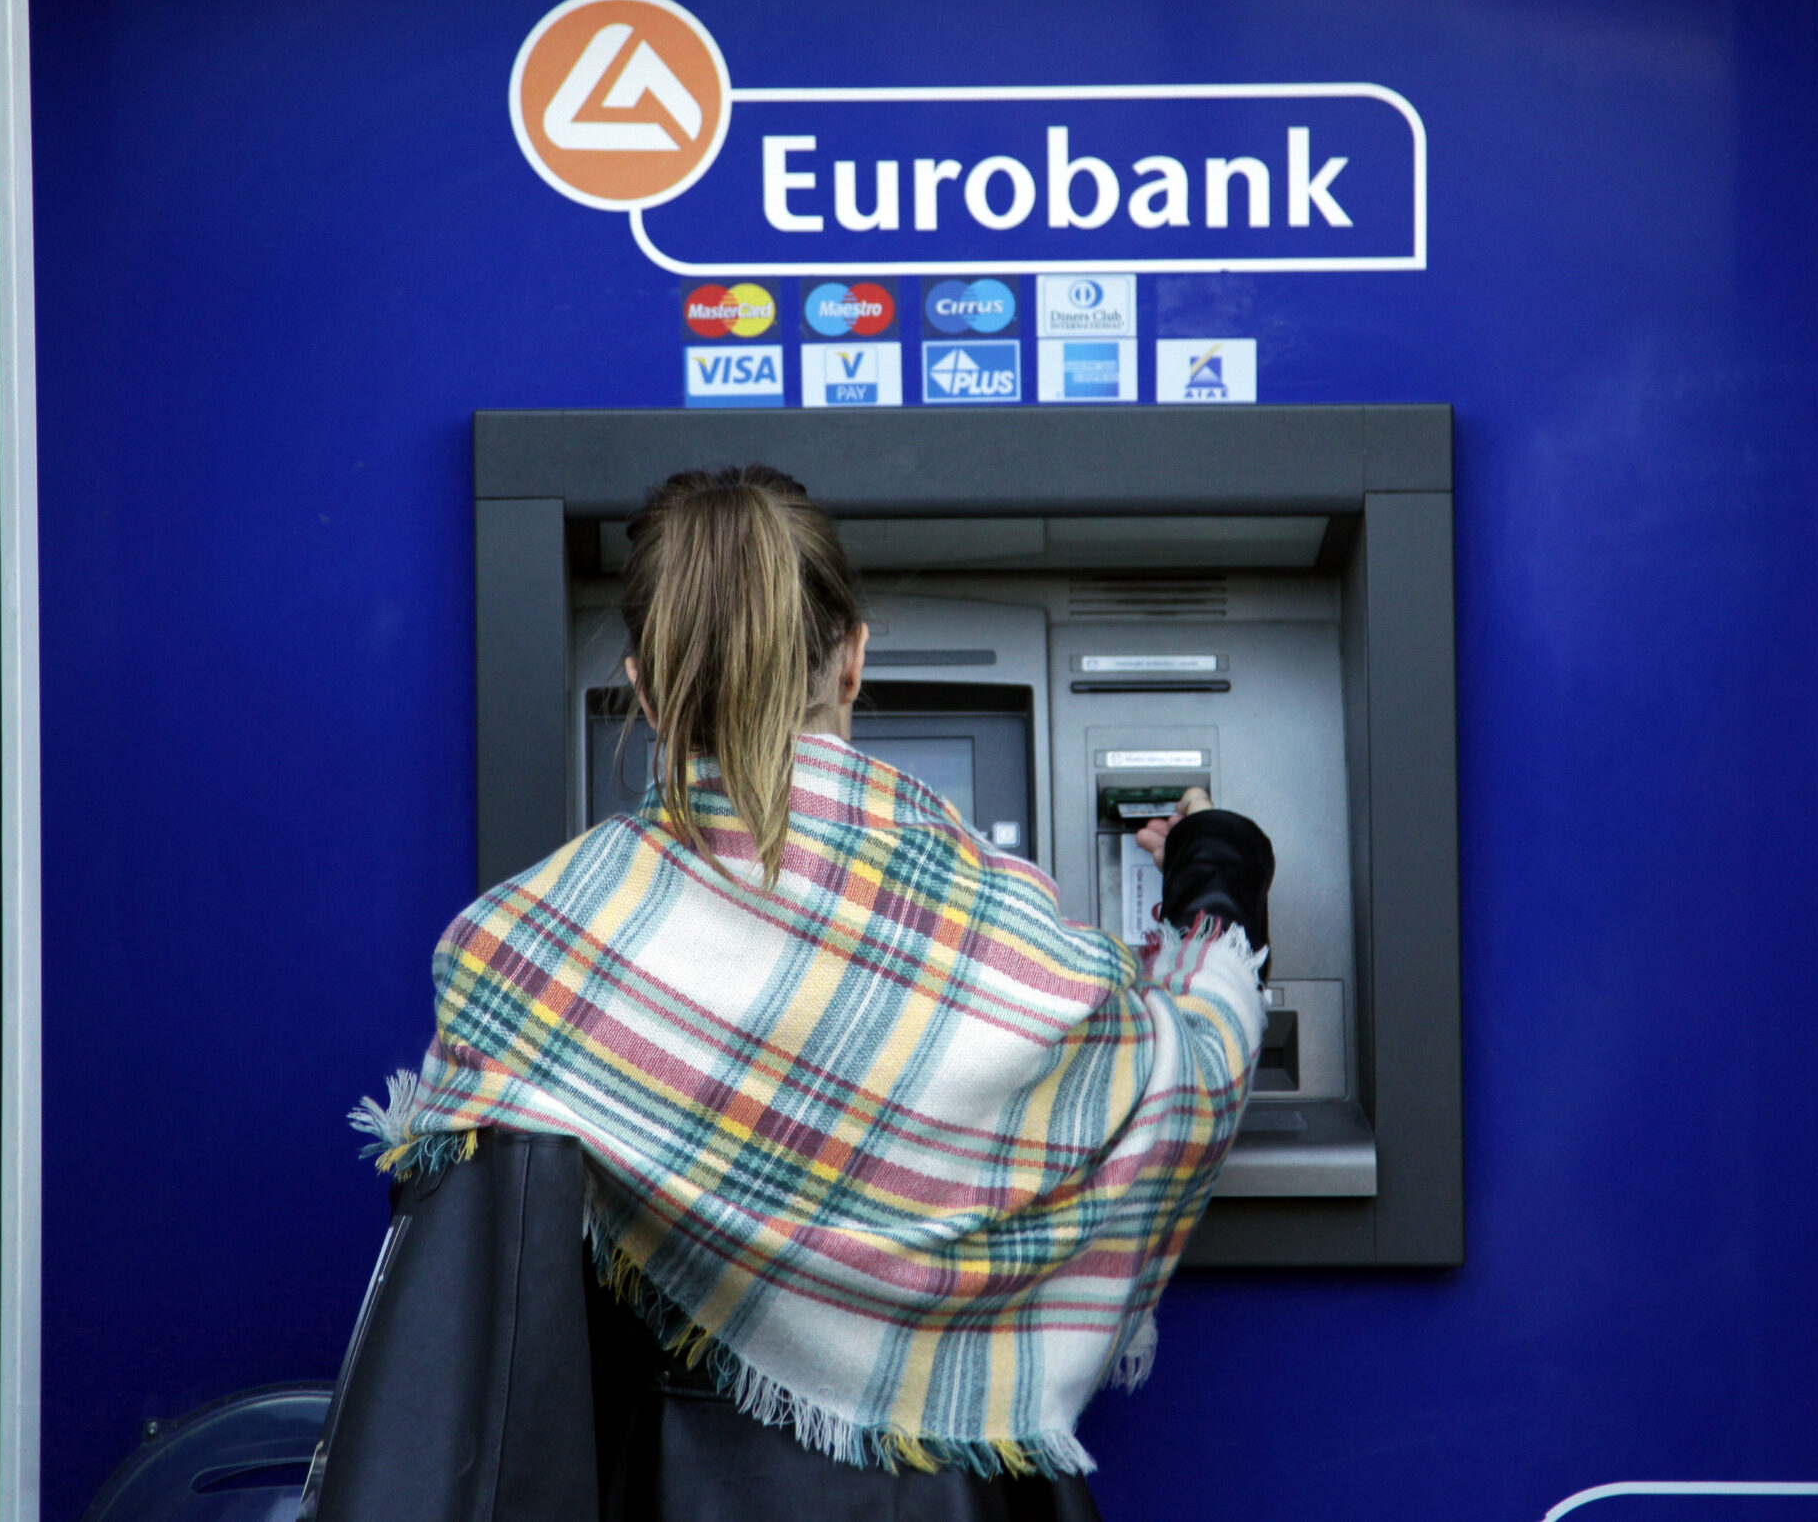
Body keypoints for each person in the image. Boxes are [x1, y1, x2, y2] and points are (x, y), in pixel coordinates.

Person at [356, 465, 1273, 1518]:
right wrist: (1214, 867)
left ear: (644, 690)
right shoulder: (1002, 935)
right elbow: (1187, 1065)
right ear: (852, 656)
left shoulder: (525, 949)